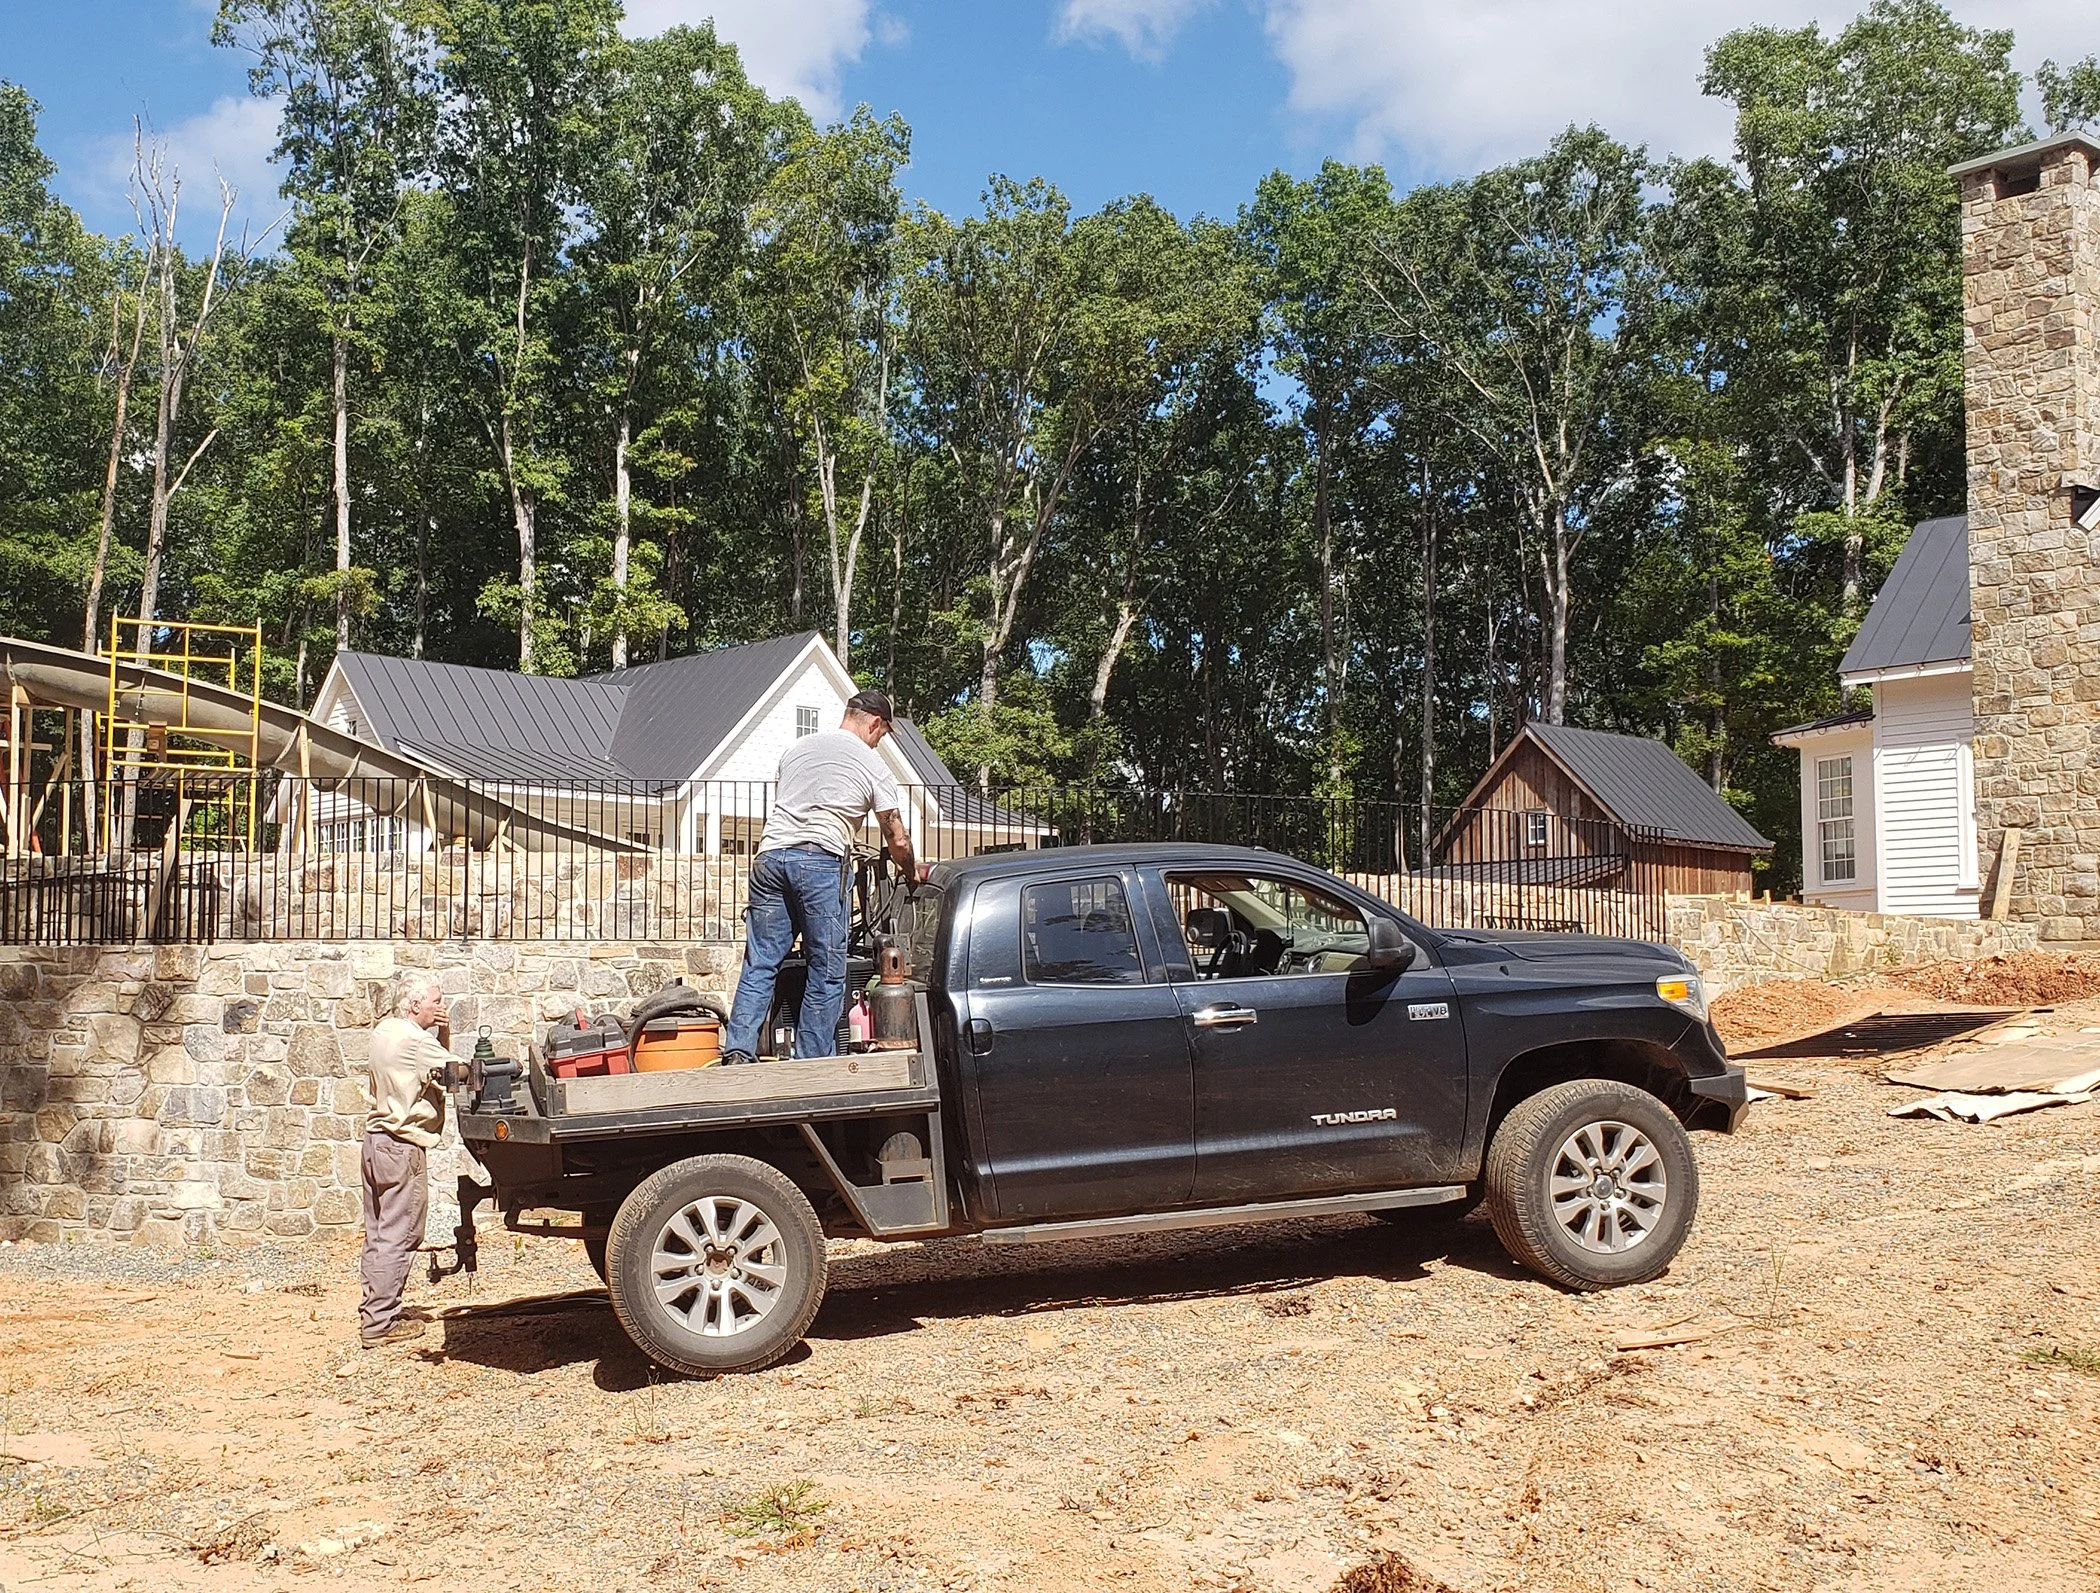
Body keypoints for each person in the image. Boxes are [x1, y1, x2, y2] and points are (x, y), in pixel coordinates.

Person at [721, 689, 919, 1065]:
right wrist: (911, 873)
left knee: (761, 962)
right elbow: (896, 835)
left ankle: (738, 1052)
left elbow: (790, 802)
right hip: (820, 861)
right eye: (882, 735)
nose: (879, 743)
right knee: (826, 969)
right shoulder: (872, 765)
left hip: (770, 857)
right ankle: (812, 1064)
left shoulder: (797, 749)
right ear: (876, 724)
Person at [360, 970, 452, 1348]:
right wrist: (446, 1033)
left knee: (379, 1232)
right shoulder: (416, 1041)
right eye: (436, 1001)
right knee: (401, 1234)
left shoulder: (385, 1031)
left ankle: (375, 1310)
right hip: (402, 1146)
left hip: (375, 1141)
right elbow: (457, 1071)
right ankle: (380, 1325)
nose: (441, 1007)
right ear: (416, 1005)